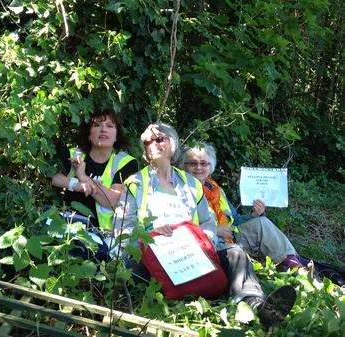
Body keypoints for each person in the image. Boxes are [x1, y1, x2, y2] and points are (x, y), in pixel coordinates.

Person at [113, 122, 296, 328]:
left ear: (172, 144)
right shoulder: (135, 183)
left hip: (192, 252)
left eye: (159, 139)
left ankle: (256, 304)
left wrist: (198, 240)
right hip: (153, 256)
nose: (152, 143)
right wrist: (150, 236)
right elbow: (122, 228)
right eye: (147, 141)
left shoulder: (190, 183)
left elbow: (208, 223)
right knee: (128, 272)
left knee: (235, 253)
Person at [181, 143, 303, 270]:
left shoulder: (215, 189)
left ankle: (295, 267)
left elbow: (235, 218)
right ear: (184, 166)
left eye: (204, 163)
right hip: (207, 243)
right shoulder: (180, 189)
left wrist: (254, 215)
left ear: (211, 166)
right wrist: (214, 230)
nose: (198, 167)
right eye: (193, 163)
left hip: (231, 236)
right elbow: (180, 226)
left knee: (262, 222)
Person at [52, 108, 138, 232]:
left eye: (109, 126)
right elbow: (54, 178)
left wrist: (83, 177)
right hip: (66, 225)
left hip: (102, 234)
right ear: (89, 135)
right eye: (97, 125)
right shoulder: (75, 154)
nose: (103, 129)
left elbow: (112, 200)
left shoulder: (125, 162)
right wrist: (77, 185)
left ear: (116, 136)